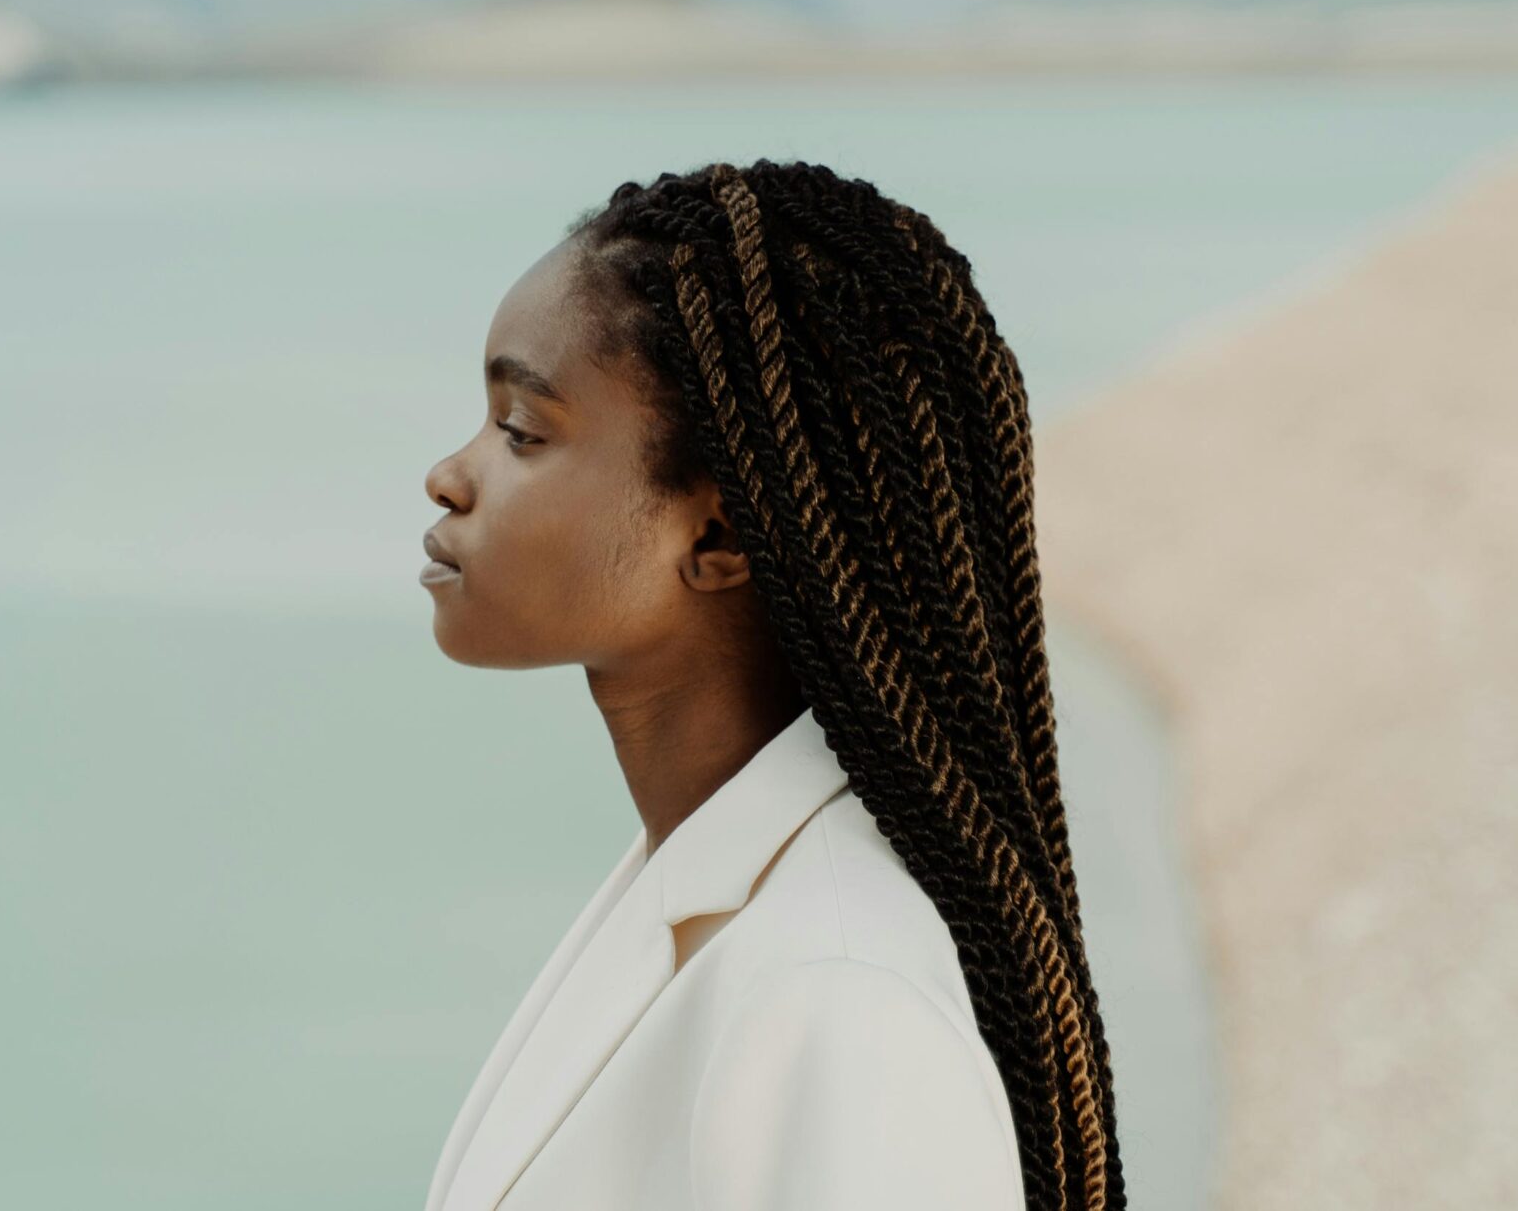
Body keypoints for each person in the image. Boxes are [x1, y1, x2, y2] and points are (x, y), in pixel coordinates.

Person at [418, 158, 1124, 1211]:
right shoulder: (702, 876)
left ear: (720, 529)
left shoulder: (837, 994)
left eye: (522, 429)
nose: (450, 473)